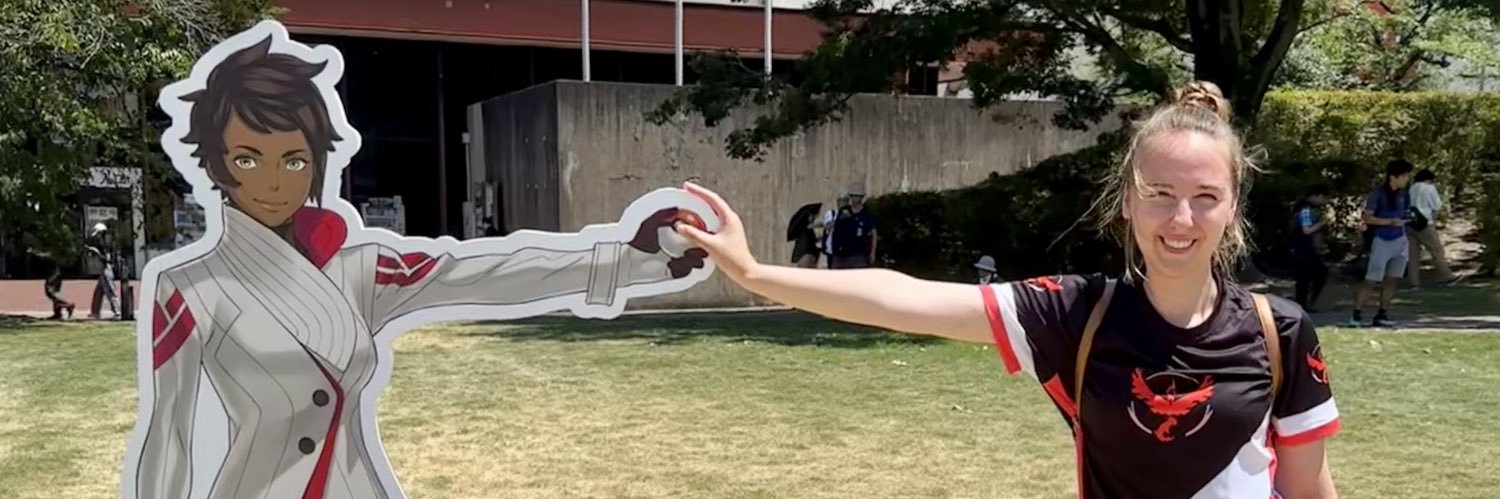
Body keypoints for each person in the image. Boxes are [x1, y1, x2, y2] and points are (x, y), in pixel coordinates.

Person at [673, 81, 1340, 498]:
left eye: (1205, 197)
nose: (1181, 219)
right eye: (1160, 194)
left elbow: (1309, 487)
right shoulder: (1077, 313)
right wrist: (755, 273)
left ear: (1232, 207)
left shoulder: (1278, 331)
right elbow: (906, 299)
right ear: (1127, 203)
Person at [126, 29, 709, 499]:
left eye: (294, 160)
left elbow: (481, 273)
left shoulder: (359, 269)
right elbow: (168, 436)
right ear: (217, 164)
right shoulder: (188, 288)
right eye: (248, 160)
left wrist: (629, 260)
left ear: (318, 163)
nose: (274, 182)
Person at [1349, 160, 1415, 327]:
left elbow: (1406, 213)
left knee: (1392, 279)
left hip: (1400, 240)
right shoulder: (1377, 194)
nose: (1407, 179)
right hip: (1381, 240)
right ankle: (1356, 314)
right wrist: (1388, 222)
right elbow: (1367, 217)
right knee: (1371, 280)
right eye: (1404, 175)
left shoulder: (1404, 194)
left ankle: (1382, 314)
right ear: (1393, 177)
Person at [1405, 169, 1454, 287]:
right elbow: (1436, 207)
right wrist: (1434, 221)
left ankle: (1414, 281)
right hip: (1425, 223)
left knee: (1413, 254)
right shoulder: (1430, 188)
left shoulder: (1412, 188)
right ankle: (1446, 275)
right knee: (1436, 250)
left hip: (1411, 223)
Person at [1291, 185, 1330, 312]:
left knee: (1310, 275)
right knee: (1306, 276)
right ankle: (1303, 303)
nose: (1324, 201)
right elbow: (1306, 230)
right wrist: (1321, 224)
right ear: (1315, 196)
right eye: (1323, 197)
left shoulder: (1309, 209)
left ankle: (1305, 302)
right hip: (1304, 248)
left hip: (1308, 248)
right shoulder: (1306, 211)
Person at [828, 182, 877, 269]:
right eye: (852, 196)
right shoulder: (844, 211)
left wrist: (872, 253)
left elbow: (873, 233)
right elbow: (835, 227)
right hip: (840, 254)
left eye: (857, 196)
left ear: (861, 197)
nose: (854, 198)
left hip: (858, 254)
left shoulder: (866, 214)